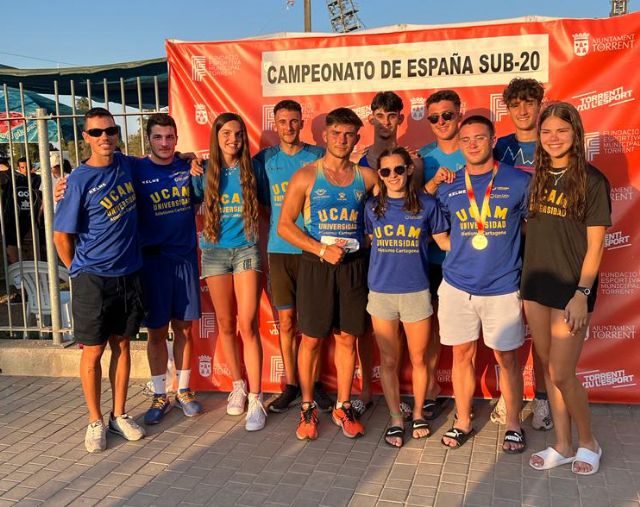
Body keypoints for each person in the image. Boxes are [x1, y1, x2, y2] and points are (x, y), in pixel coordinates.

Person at [278, 107, 377, 440]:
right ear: (325, 136)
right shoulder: (307, 175)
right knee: (311, 339)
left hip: (353, 267)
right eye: (335, 133)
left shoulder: (367, 178)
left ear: (357, 139)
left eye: (349, 134)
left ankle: (343, 405)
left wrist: (370, 237)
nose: (342, 140)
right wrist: (320, 248)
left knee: (348, 338)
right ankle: (307, 408)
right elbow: (284, 226)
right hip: (317, 266)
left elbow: (388, 216)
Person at [524, 102, 610, 475]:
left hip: (570, 290)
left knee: (562, 373)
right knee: (547, 368)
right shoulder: (538, 176)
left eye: (561, 130)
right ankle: (562, 443)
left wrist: (582, 293)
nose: (553, 138)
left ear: (575, 134)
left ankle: (589, 441)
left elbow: (596, 247)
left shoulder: (592, 180)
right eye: (546, 132)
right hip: (535, 284)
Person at [53, 107, 146, 453]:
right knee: (93, 351)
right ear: (85, 137)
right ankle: (94, 420)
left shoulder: (127, 165)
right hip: (93, 279)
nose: (104, 137)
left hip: (129, 275)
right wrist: (76, 270)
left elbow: (161, 160)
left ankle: (118, 414)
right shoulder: (78, 180)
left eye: (110, 130)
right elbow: (62, 235)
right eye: (95, 132)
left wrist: (185, 157)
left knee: (122, 346)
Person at [437, 115, 530, 453]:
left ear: (493, 140)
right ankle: (463, 420)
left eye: (480, 137)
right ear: (459, 144)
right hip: (457, 286)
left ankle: (514, 425)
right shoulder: (448, 187)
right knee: (462, 354)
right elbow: (438, 230)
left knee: (507, 359)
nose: (473, 144)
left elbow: (530, 230)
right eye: (466, 139)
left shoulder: (519, 182)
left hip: (502, 286)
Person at [252, 100, 334, 413]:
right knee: (286, 322)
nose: (289, 127)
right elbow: (261, 201)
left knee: (315, 323)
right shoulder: (265, 160)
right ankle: (291, 384)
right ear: (275, 124)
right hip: (280, 250)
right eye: (283, 121)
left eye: (294, 121)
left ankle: (315, 383)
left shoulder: (317, 156)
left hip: (313, 249)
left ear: (302, 123)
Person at [365, 147, 449, 447]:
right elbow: (372, 241)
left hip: (416, 292)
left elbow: (444, 242)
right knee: (388, 360)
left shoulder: (427, 204)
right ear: (379, 175)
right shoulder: (372, 207)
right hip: (381, 293)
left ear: (409, 169)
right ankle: (396, 419)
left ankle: (418, 415)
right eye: (385, 171)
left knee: (419, 359)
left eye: (398, 169)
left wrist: (483, 249)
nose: (392, 176)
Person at [192, 112, 266, 431]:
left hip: (246, 250)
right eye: (226, 134)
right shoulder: (204, 170)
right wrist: (186, 158)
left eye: (238, 134)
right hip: (214, 253)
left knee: (247, 324)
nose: (232, 139)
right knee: (225, 323)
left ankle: (257, 398)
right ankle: (238, 385)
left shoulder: (254, 168)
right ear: (216, 137)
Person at [134, 113, 203, 424]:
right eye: (158, 137)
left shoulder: (186, 167)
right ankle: (160, 393)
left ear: (177, 139)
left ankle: (184, 389)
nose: (164, 143)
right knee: (157, 332)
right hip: (153, 262)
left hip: (185, 259)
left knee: (185, 329)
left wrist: (190, 158)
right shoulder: (136, 168)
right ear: (148, 138)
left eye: (169, 137)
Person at [492, 78, 552, 430]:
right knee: (508, 327)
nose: (524, 110)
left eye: (530, 103)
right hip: (506, 247)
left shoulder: (555, 142)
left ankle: (542, 399)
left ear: (540, 104)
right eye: (516, 105)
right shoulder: (499, 147)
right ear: (509, 110)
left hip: (544, 248)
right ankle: (510, 396)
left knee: (542, 331)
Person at [417, 90, 465, 420]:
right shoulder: (422, 158)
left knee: (475, 330)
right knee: (431, 327)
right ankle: (431, 390)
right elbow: (409, 203)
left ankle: (470, 397)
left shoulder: (476, 147)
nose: (441, 122)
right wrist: (432, 182)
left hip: (471, 257)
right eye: (434, 117)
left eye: (447, 115)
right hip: (432, 258)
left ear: (459, 114)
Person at [4, 156, 43, 264]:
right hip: (15, 217)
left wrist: (38, 215)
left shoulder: (37, 180)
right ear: (18, 168)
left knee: (32, 245)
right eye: (22, 167)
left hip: (31, 218)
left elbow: (41, 198)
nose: (25, 169)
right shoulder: (14, 180)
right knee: (13, 242)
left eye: (27, 167)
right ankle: (15, 266)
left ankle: (34, 266)